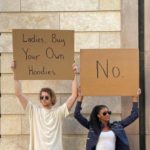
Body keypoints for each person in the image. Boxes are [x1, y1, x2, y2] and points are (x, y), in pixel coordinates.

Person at [11, 61, 78, 150]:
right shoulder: (34, 111)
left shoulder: (58, 113)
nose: (43, 99)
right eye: (41, 97)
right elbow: (18, 93)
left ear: (52, 99)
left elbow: (74, 95)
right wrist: (15, 73)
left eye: (46, 97)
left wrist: (74, 74)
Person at [74, 87, 141, 150]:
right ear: (98, 115)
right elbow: (77, 114)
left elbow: (134, 115)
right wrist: (80, 98)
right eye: (104, 113)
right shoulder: (92, 127)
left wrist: (135, 99)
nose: (108, 114)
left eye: (109, 112)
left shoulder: (117, 126)